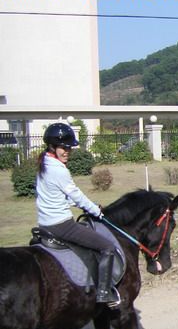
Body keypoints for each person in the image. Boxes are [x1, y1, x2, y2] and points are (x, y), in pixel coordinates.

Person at [36, 123, 120, 305]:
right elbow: (77, 195)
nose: (67, 151)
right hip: (61, 225)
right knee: (107, 247)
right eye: (63, 148)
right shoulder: (59, 170)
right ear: (52, 146)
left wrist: (76, 204)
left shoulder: (44, 164)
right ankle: (105, 293)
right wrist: (96, 211)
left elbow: (55, 196)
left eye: (69, 148)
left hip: (44, 223)